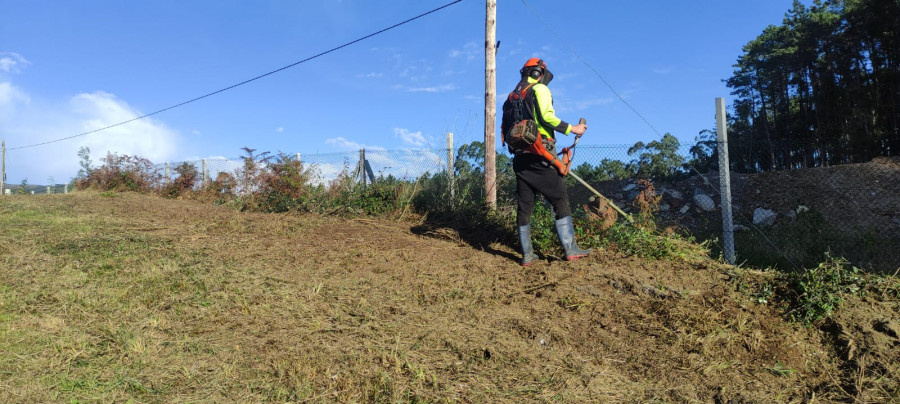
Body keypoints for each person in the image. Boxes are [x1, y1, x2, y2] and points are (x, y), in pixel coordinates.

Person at [501, 57, 591, 266]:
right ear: (537, 73)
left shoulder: (510, 98)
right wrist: (573, 129)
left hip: (520, 159)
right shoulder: (539, 90)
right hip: (541, 156)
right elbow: (547, 118)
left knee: (525, 206)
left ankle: (527, 254)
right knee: (559, 199)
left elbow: (505, 131)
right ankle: (570, 249)